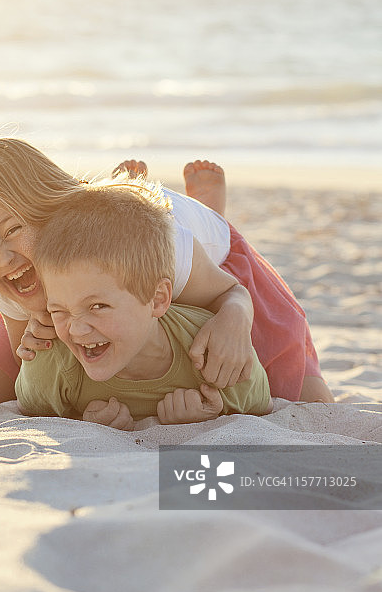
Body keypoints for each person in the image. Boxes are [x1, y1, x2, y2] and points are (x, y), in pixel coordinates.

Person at [0, 136, 333, 405]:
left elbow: (231, 293)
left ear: (44, 206)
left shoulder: (145, 240)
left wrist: (234, 320)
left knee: (301, 399)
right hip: (81, 291)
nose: (1, 259)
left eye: (13, 229)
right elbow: (32, 370)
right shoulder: (7, 270)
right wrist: (39, 332)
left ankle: (206, 212)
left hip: (205, 262)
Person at [15, 182, 272, 428]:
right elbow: (33, 414)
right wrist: (81, 419)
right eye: (59, 310)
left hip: (207, 251)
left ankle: (211, 208)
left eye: (97, 307)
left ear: (158, 299)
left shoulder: (214, 353)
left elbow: (261, 405)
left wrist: (212, 415)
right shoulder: (52, 362)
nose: (77, 330)